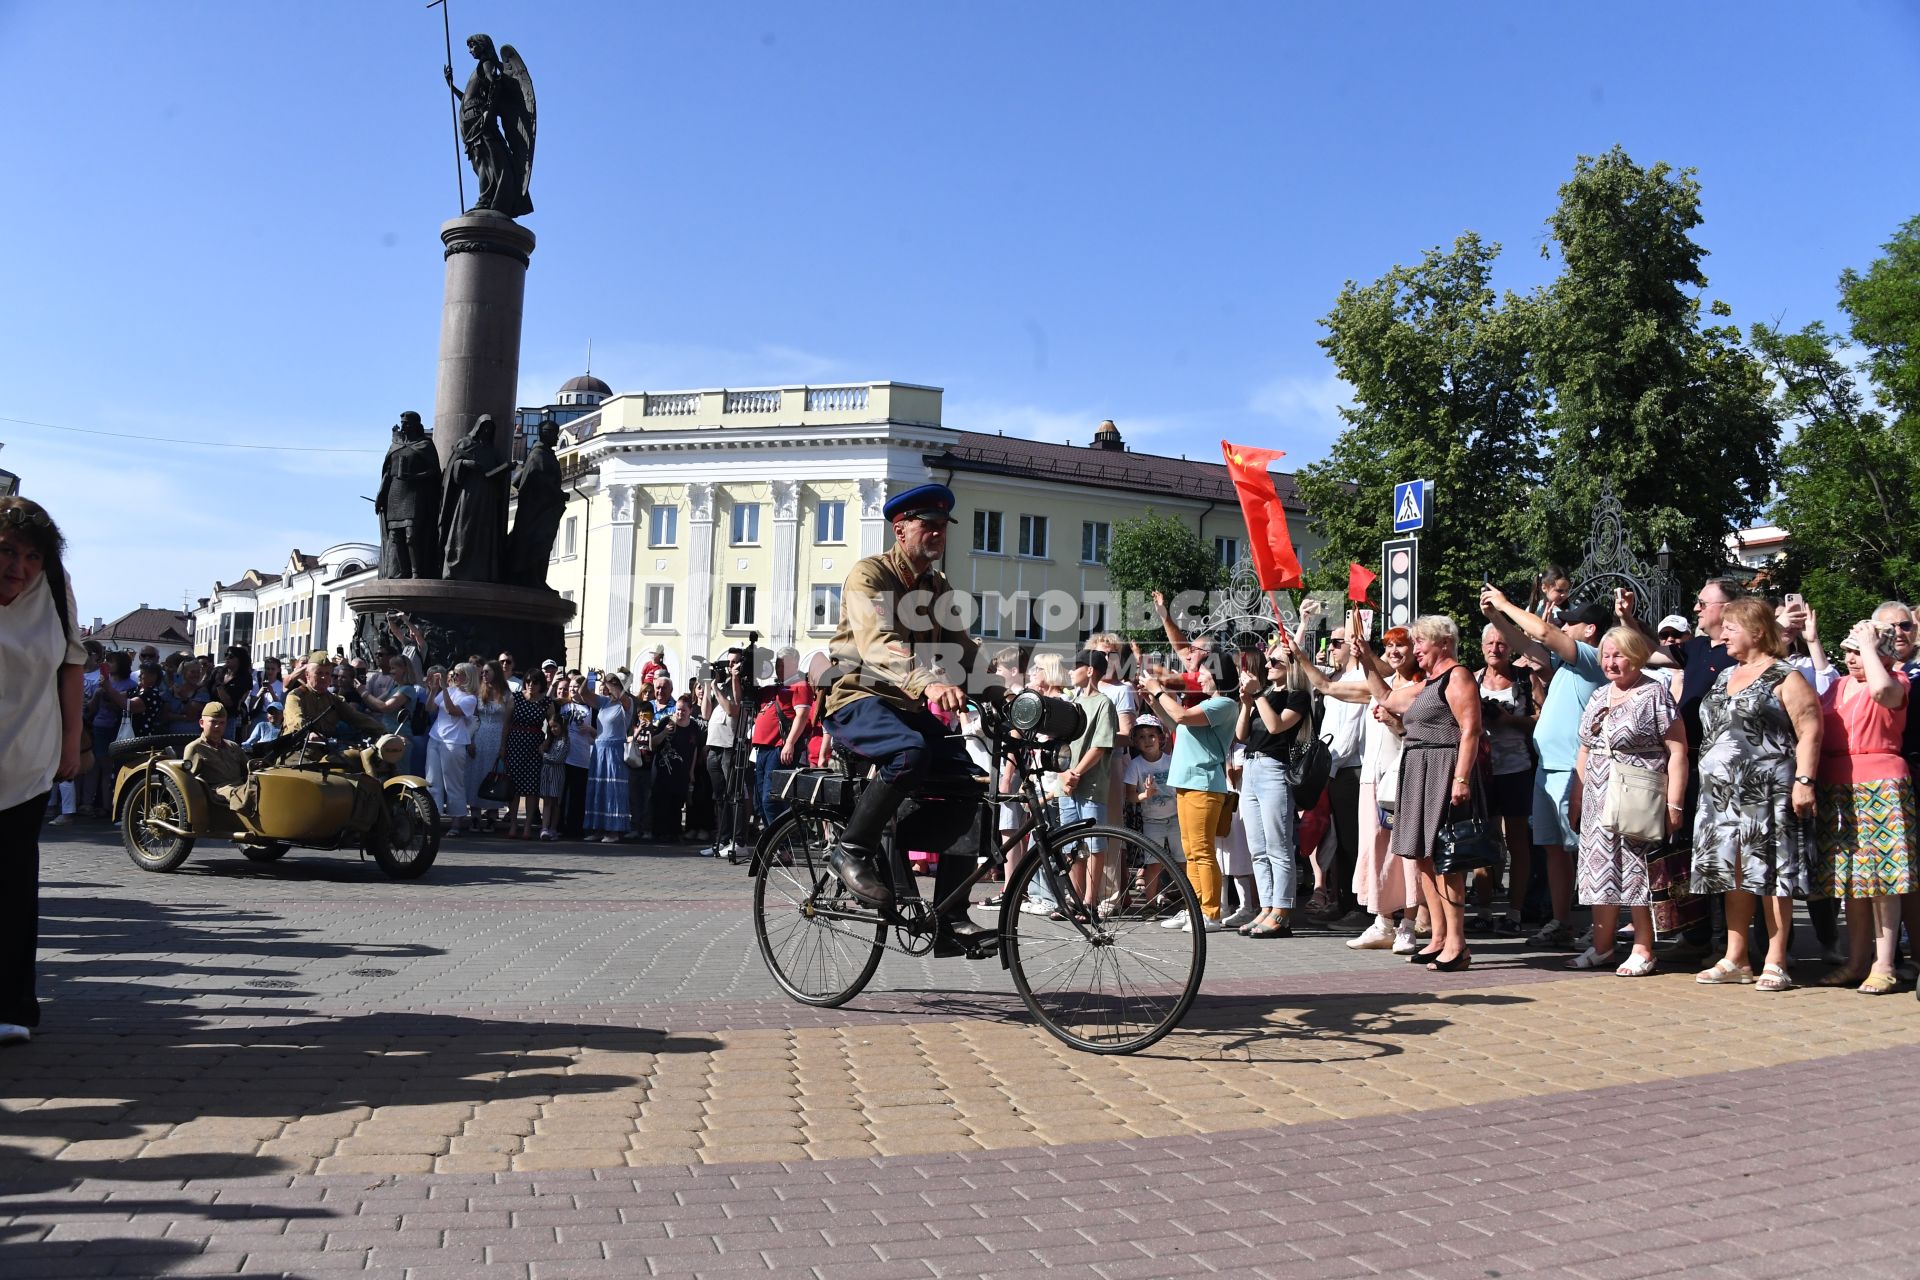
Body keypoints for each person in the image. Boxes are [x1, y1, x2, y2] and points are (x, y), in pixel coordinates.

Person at [817, 483, 1000, 952]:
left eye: (943, 527)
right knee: (910, 750)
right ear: (901, 530)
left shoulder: (938, 588)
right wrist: (930, 681)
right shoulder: (870, 575)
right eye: (929, 526)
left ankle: (950, 917)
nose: (938, 534)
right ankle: (851, 849)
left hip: (908, 703)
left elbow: (963, 653)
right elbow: (879, 643)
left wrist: (1013, 702)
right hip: (858, 696)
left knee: (968, 784)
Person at [1691, 598, 1821, 992]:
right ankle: (1736, 958)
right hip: (1720, 797)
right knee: (1733, 874)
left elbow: (1810, 728)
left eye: (1731, 627)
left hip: (1766, 792)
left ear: (1758, 631)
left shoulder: (1786, 676)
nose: (1723, 633)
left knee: (1772, 876)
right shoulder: (1724, 675)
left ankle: (1776, 960)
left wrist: (1805, 781)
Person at [1481, 589, 1614, 949]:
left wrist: (1506, 605)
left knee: (1586, 851)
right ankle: (1561, 921)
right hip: (1548, 769)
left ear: (1590, 629)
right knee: (1555, 849)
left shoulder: (1590, 656)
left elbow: (1541, 633)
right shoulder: (1569, 663)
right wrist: (1495, 617)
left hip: (1575, 770)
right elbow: (1527, 645)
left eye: (1571, 622)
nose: (1563, 626)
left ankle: (1601, 926)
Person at [0, 497, 86, 1045]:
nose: (19, 568)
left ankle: (11, 1005)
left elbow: (72, 662)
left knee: (12, 886)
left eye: (32, 556)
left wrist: (70, 743)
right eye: (7, 551)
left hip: (27, 759)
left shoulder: (53, 586)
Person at [1357, 614, 1483, 971]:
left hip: (1443, 771)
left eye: (1420, 642)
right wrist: (1366, 657)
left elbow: (1470, 730)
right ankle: (1439, 938)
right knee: (1423, 858)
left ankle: (1458, 945)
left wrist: (1461, 779)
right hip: (1419, 771)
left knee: (1448, 860)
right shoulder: (1429, 683)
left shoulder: (1458, 676)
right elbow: (1384, 696)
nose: (1416, 650)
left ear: (1443, 643)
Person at [1564, 628, 1687, 976]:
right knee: (1599, 869)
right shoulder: (1600, 694)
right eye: (1606, 655)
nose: (1610, 662)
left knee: (1636, 869)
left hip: (1637, 792)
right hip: (1598, 794)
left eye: (1618, 655)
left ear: (1635, 656)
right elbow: (1584, 748)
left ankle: (1643, 948)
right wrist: (1576, 796)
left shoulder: (1653, 694)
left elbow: (1677, 750)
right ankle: (1602, 947)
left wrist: (1674, 803)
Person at [1811, 620, 1914, 993]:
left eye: (1859, 650)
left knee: (1883, 879)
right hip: (1837, 783)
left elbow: (1884, 691)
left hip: (1880, 781)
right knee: (1851, 879)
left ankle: (1884, 963)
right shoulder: (1838, 686)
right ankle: (1857, 961)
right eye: (1849, 650)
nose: (1852, 658)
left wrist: (1872, 649)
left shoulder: (1896, 679)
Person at [1139, 653, 1237, 933]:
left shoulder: (1224, 704)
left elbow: (1181, 715)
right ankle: (1195, 908)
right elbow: (1176, 724)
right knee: (1192, 852)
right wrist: (1153, 701)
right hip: (1189, 784)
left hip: (1203, 785)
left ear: (1218, 676)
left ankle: (1211, 913)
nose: (1200, 678)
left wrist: (1159, 689)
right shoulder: (1209, 704)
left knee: (1202, 851)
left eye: (1204, 673)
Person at [1237, 639, 1312, 938]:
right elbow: (1242, 735)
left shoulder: (1298, 697)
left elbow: (1276, 727)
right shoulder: (1264, 694)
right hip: (1251, 768)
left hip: (1274, 770)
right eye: (1268, 660)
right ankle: (1266, 907)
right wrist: (1247, 704)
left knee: (1278, 846)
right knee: (1257, 848)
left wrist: (1257, 695)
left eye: (1275, 662)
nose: (1267, 665)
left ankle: (1283, 911)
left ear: (1291, 667)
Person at [1476, 623, 1542, 935]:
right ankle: (1485, 910)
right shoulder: (1473, 679)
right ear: (1482, 647)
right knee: (1484, 840)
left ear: (1511, 649)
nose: (1495, 649)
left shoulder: (1525, 681)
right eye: (1489, 643)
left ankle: (1514, 913)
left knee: (1518, 843)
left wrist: (1509, 720)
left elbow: (1541, 718)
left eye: (1501, 644)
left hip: (1517, 769)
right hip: (1483, 770)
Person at [1055, 650, 1118, 919]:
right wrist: (1062, 773)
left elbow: (1101, 745)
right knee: (1070, 845)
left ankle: (1091, 901)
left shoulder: (1104, 703)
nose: (1071, 671)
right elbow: (1057, 744)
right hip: (1066, 784)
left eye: (1076, 666)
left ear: (1090, 670)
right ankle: (1074, 898)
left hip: (1090, 785)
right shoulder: (1071, 702)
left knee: (1094, 844)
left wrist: (1076, 772)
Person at [427, 662, 479, 835]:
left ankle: (456, 823)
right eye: (454, 674)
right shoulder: (448, 691)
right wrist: (434, 689)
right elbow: (430, 709)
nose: (454, 677)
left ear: (468, 677)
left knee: (453, 784)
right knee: (432, 781)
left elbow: (451, 710)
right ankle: (433, 819)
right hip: (435, 737)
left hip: (454, 742)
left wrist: (444, 690)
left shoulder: (470, 698)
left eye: (458, 674)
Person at [584, 673, 632, 843]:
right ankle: (598, 828)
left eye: (613, 683)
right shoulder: (604, 702)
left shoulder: (625, 702)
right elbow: (585, 694)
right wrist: (590, 677)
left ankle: (613, 831)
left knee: (612, 789)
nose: (608, 686)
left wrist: (608, 681)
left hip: (615, 750)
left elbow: (621, 695)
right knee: (599, 788)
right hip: (599, 749)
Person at [502, 667, 549, 839]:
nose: (531, 685)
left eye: (535, 682)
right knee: (513, 788)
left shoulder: (546, 702)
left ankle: (528, 825)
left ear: (541, 684)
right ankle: (513, 823)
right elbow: (506, 724)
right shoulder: (516, 698)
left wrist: (546, 742)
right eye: (528, 681)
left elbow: (552, 727)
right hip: (515, 745)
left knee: (531, 790)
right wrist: (502, 747)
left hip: (534, 748)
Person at [182, 704, 250, 814]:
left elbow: (249, 767)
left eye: (221, 723)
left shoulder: (232, 746)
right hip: (218, 793)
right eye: (213, 722)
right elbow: (189, 782)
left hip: (241, 787)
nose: (217, 726)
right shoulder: (195, 748)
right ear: (201, 723)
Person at [467, 661, 510, 829]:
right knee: (476, 773)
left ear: (496, 673)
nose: (483, 675)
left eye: (487, 672)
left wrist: (504, 745)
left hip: (498, 735)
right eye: (482, 673)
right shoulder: (478, 692)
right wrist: (470, 740)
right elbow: (472, 718)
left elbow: (508, 721)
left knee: (493, 774)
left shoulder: (506, 694)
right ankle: (475, 815)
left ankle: (492, 814)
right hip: (481, 734)